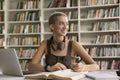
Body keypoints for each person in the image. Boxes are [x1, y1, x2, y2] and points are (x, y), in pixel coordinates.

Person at [28, 12, 99, 72]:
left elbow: (96, 66)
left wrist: (83, 67)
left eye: (67, 24)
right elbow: (31, 66)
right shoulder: (45, 44)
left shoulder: (74, 44)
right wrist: (49, 68)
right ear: (52, 26)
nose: (65, 27)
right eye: (61, 24)